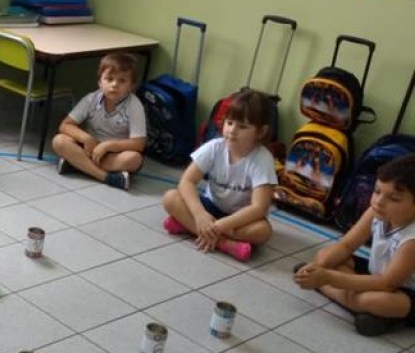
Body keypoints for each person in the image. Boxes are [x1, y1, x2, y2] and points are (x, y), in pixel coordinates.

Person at [294, 153, 415, 336]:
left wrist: (327, 278)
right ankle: (368, 312)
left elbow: (386, 284)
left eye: (394, 199)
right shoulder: (376, 212)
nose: (379, 201)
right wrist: (317, 267)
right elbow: (347, 245)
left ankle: (334, 292)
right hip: (378, 274)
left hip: (403, 290)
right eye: (377, 191)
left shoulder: (411, 240)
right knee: (325, 255)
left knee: (375, 301)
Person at [160, 90, 277, 262]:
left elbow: (259, 208)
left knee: (263, 232)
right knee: (170, 198)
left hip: (239, 219)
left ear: (261, 132)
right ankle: (224, 243)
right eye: (229, 123)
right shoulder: (215, 147)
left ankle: (191, 228)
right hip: (211, 207)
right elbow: (187, 181)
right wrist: (200, 214)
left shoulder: (262, 159)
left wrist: (222, 225)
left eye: (243, 126)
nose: (232, 131)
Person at [52, 52, 147, 190]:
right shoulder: (91, 99)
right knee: (59, 141)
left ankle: (78, 164)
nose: (114, 85)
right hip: (89, 149)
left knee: (134, 159)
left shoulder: (134, 105)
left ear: (131, 85)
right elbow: (65, 125)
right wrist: (86, 138)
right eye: (109, 79)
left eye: (122, 81)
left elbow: (138, 144)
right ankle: (107, 177)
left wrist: (108, 146)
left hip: (114, 153)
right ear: (100, 82)